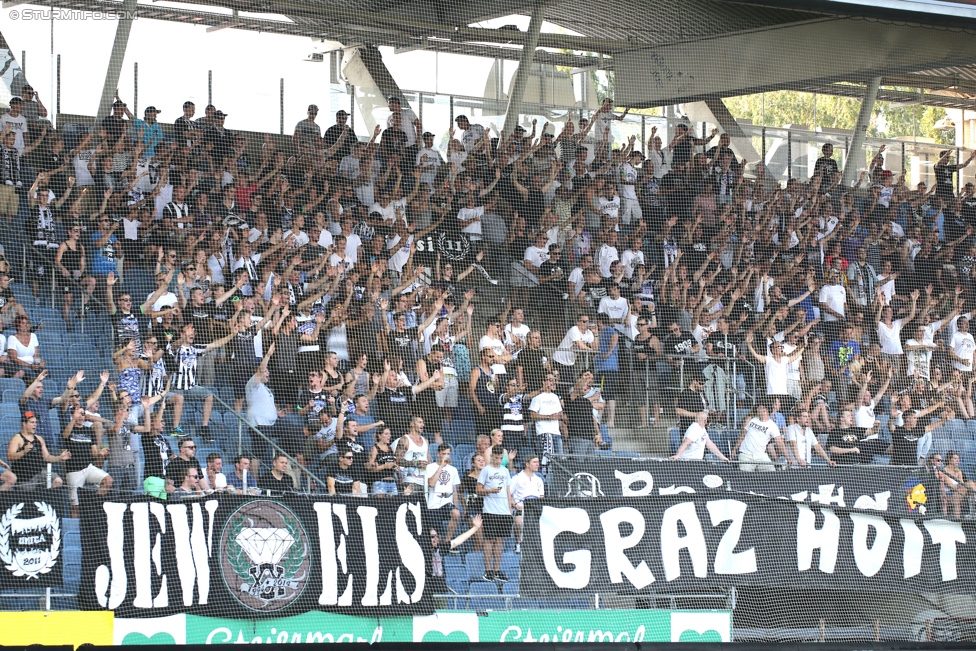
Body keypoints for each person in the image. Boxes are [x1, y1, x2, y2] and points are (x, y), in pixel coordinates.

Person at [62, 405, 113, 517]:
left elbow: (94, 452)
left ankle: (93, 503)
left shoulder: (89, 431)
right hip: (74, 470)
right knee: (75, 506)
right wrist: (74, 419)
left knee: (108, 480)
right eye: (79, 413)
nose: (81, 416)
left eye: (83, 414)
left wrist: (100, 453)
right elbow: (65, 435)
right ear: (72, 415)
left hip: (88, 467)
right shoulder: (69, 428)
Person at [476, 447, 514, 583]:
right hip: (490, 510)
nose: (498, 460)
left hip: (504, 511)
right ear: (492, 456)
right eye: (496, 458)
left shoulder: (505, 471)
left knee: (500, 540)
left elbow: (508, 491)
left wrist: (510, 510)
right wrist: (490, 490)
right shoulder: (486, 470)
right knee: (490, 539)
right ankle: (488, 570)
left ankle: (497, 570)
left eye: (500, 458)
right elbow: (478, 489)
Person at [6, 411, 69, 490]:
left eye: (35, 422)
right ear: (24, 424)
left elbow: (47, 457)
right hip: (24, 477)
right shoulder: (17, 438)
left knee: (57, 480)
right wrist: (24, 451)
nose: (35, 424)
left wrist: (60, 457)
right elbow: (10, 456)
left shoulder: (39, 438)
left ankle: (49, 498)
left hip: (39, 473)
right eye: (32, 422)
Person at [428, 514, 483, 595]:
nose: (435, 539)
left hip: (441, 591)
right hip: (428, 592)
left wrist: (475, 528)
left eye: (437, 536)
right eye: (432, 537)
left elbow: (457, 540)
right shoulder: (423, 551)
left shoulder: (441, 548)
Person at [731, 402, 790, 472]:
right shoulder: (750, 420)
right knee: (745, 476)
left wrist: (788, 458)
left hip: (761, 455)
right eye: (758, 408)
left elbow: (780, 443)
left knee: (772, 473)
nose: (758, 410)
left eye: (760, 408)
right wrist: (734, 449)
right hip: (745, 454)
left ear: (766, 410)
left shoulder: (772, 425)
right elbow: (742, 435)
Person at [426, 444, 462, 547]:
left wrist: (456, 506)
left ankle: (447, 543)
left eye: (448, 454)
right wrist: (441, 466)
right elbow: (431, 483)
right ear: (438, 454)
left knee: (456, 513)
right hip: (433, 504)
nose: (446, 456)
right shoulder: (430, 467)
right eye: (444, 454)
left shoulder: (453, 470)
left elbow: (454, 490)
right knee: (436, 535)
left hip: (447, 503)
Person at [509, 454, 544, 554]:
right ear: (527, 464)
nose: (538, 464)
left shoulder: (539, 480)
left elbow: (541, 497)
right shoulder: (517, 478)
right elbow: (509, 495)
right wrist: (515, 505)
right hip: (521, 509)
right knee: (519, 522)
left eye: (538, 462)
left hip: (536, 510)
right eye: (535, 462)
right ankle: (518, 544)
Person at [396, 416, 430, 495]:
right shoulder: (405, 440)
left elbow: (428, 460)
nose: (423, 425)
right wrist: (415, 463)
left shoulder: (426, 441)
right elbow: (397, 460)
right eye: (419, 422)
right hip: (409, 482)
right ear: (412, 424)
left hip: (423, 483)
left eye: (423, 422)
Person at [366, 426, 399, 496]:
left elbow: (394, 463)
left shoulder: (391, 449)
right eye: (386, 434)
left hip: (392, 482)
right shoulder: (375, 449)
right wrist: (385, 466)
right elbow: (370, 468)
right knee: (381, 505)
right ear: (380, 436)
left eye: (389, 434)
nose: (389, 436)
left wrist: (395, 467)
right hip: (380, 482)